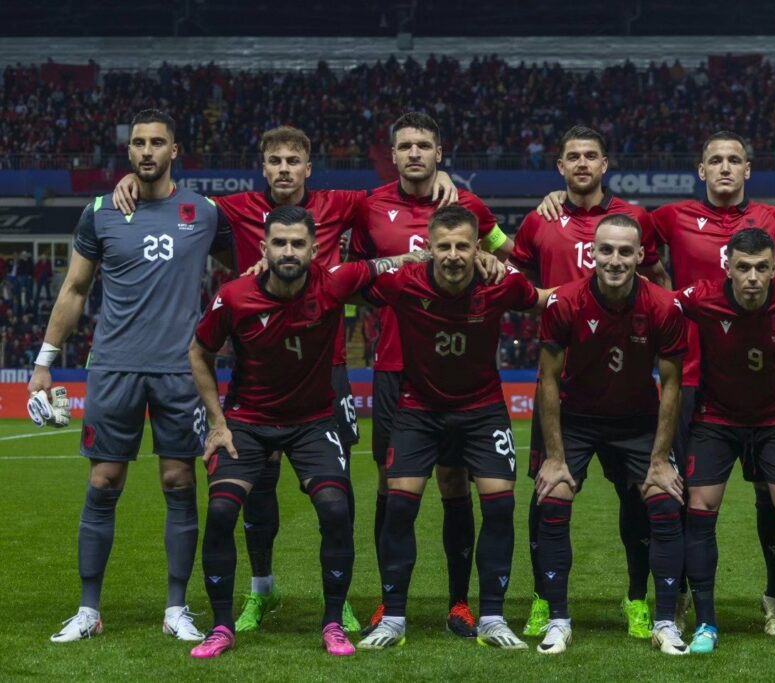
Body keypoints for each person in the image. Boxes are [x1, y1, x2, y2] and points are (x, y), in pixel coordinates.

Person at [537, 130, 775, 634]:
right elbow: (615, 230)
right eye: (715, 160)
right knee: (680, 495)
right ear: (701, 170)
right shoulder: (669, 217)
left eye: (734, 160)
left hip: (759, 387)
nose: (724, 168)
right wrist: (561, 197)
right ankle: (681, 599)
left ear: (747, 170)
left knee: (771, 499)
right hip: (689, 380)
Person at [113, 124, 458, 634]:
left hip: (326, 368)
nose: (283, 170)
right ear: (264, 167)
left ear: (308, 168)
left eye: (293, 162)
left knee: (337, 491)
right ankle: (261, 589)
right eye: (274, 161)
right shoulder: (233, 209)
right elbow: (174, 201)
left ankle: (338, 600)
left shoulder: (342, 204)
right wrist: (134, 183)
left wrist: (439, 178)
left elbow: (398, 196)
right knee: (258, 485)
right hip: (260, 368)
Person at [187, 205, 423, 659]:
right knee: (220, 511)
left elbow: (384, 264)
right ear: (264, 248)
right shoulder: (234, 297)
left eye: (298, 243)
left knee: (335, 509)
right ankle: (220, 627)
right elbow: (200, 352)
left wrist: (423, 256)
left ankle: (333, 621)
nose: (289, 251)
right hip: (249, 422)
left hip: (314, 422)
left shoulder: (334, 282)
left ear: (315, 250)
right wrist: (217, 422)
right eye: (280, 243)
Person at [31, 109, 231, 644]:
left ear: (174, 151)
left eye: (157, 142)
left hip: (181, 371)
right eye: (139, 143)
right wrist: (44, 362)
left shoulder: (205, 213)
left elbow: (246, 269)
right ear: (129, 152)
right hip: (114, 367)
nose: (147, 151)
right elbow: (74, 290)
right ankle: (88, 610)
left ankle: (176, 609)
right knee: (103, 481)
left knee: (179, 482)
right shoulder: (100, 212)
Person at [348, 112, 514, 638]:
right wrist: (398, 275)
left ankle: (460, 603)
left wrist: (496, 262)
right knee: (391, 486)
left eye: (424, 145)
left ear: (439, 152)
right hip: (394, 367)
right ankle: (389, 603)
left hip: (457, 372)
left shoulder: (468, 207)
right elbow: (356, 278)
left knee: (454, 482)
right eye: (405, 146)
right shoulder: (370, 207)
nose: (415, 153)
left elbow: (512, 256)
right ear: (393, 155)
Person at [357, 205, 550, 651]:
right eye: (443, 246)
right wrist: (387, 261)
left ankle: (493, 618)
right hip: (418, 410)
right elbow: (343, 286)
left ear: (477, 248)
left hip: (482, 410)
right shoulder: (404, 282)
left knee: (499, 507)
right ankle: (394, 618)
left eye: (463, 246)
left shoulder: (500, 283)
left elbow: (543, 299)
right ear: (428, 248)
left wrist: (614, 283)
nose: (453, 255)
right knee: (399, 506)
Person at [511, 125, 670, 639]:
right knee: (546, 494)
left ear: (605, 164)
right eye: (573, 156)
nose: (582, 163)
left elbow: (660, 279)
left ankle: (638, 599)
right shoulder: (540, 219)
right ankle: (544, 599)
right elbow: (512, 279)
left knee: (639, 501)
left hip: (628, 392)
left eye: (591, 155)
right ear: (560, 166)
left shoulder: (635, 218)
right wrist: (546, 300)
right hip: (563, 389)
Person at [532, 214, 688, 655]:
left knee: (664, 501)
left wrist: (660, 460)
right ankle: (558, 620)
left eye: (624, 251)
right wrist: (555, 457)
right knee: (553, 495)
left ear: (640, 256)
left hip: (637, 420)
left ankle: (664, 621)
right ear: (593, 254)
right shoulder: (564, 302)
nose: (615, 260)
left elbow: (672, 385)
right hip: (577, 419)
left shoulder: (663, 306)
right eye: (606, 250)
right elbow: (548, 380)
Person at [675, 228, 775, 657]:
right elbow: (651, 304)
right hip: (716, 420)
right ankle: (705, 623)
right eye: (743, 268)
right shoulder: (701, 297)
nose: (753, 277)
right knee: (700, 509)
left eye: (761, 268)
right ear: (728, 268)